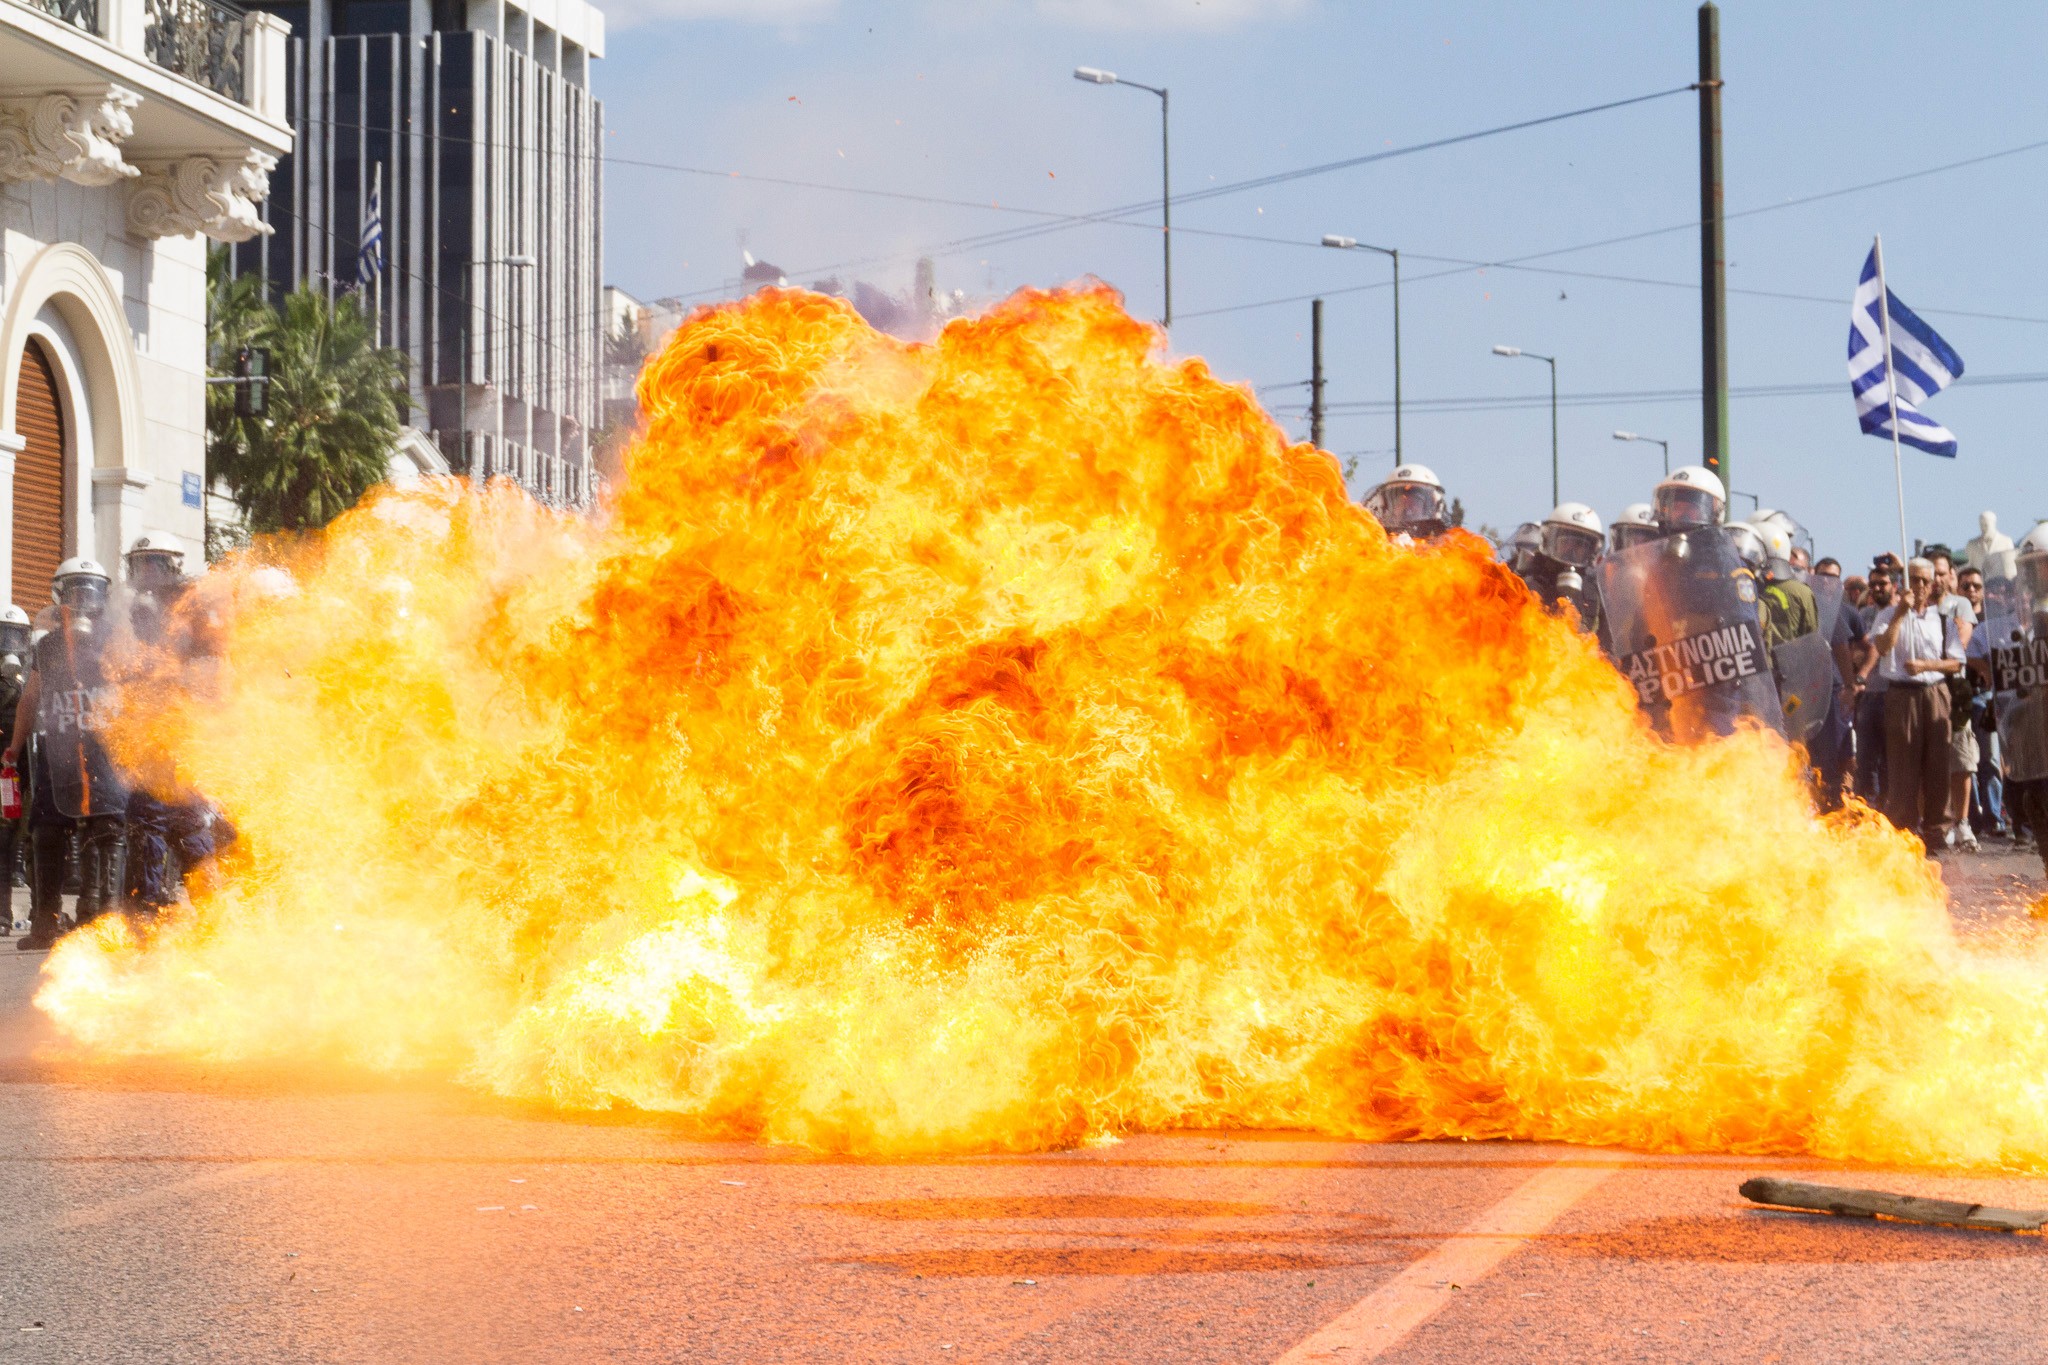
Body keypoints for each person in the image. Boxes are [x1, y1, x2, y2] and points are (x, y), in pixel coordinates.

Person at [4, 561, 129, 949]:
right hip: (58, 752)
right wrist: (14, 747)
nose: (81, 598)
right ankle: (46, 921)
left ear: (101, 595)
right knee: (47, 831)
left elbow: (133, 693)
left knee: (105, 828)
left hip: (103, 750)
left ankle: (99, 918)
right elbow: (30, 698)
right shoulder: (48, 645)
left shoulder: (114, 642)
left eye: (87, 590)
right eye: (73, 590)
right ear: (61, 595)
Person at [1870, 558, 1966, 851]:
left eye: (1925, 580)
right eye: (1914, 580)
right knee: (1902, 762)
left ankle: (1937, 828)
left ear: (1933, 584)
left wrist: (1926, 665)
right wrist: (1900, 612)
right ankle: (1903, 827)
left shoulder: (1942, 619)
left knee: (1938, 761)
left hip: (1934, 691)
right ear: (1905, 583)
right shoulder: (1888, 614)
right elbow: (1883, 647)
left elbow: (1955, 662)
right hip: (1901, 694)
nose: (1920, 586)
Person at [1520, 502, 1604, 630]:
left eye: (1579, 545)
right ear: (1549, 541)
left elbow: (1607, 639)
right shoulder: (1529, 583)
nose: (1571, 550)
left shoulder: (1595, 591)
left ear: (1592, 551)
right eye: (1565, 542)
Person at [1852, 566, 1895, 804]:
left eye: (1883, 583)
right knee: (1866, 758)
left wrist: (1869, 651)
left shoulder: (1900, 613)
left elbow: (1878, 647)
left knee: (1892, 758)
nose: (1878, 588)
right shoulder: (1864, 615)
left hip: (1893, 693)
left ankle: (1890, 808)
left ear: (1894, 586)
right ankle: (1868, 809)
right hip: (1868, 695)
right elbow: (1857, 649)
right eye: (1874, 584)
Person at [1364, 465, 1451, 543]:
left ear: (1432, 505)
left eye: (1415, 501)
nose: (1407, 506)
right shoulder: (1378, 540)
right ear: (1385, 504)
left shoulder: (1443, 543)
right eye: (1400, 501)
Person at [1652, 465, 1725, 535]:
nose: (1682, 513)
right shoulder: (1656, 545)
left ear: (1716, 514)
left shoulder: (1719, 546)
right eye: (1676, 507)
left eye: (1691, 508)